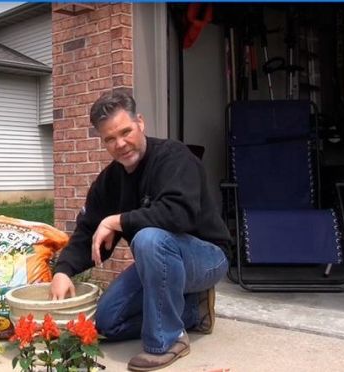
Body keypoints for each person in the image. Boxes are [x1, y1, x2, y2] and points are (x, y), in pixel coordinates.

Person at [50, 88, 231, 371]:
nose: (120, 144)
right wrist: (63, 271)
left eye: (125, 132)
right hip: (160, 260)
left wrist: (116, 221)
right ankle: (194, 311)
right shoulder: (109, 181)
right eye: (110, 139)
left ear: (141, 123)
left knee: (149, 238)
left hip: (207, 258)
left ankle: (168, 340)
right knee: (108, 322)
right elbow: (88, 230)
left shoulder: (174, 157)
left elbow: (178, 215)